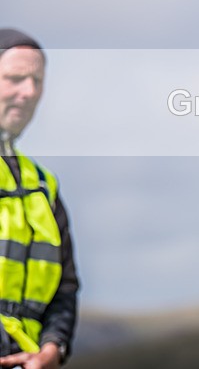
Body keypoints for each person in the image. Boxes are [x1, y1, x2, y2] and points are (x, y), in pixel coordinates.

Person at [0, 29, 79, 369]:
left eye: (37, 81)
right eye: (15, 79)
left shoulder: (44, 185)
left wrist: (53, 348)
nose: (29, 92)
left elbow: (65, 289)